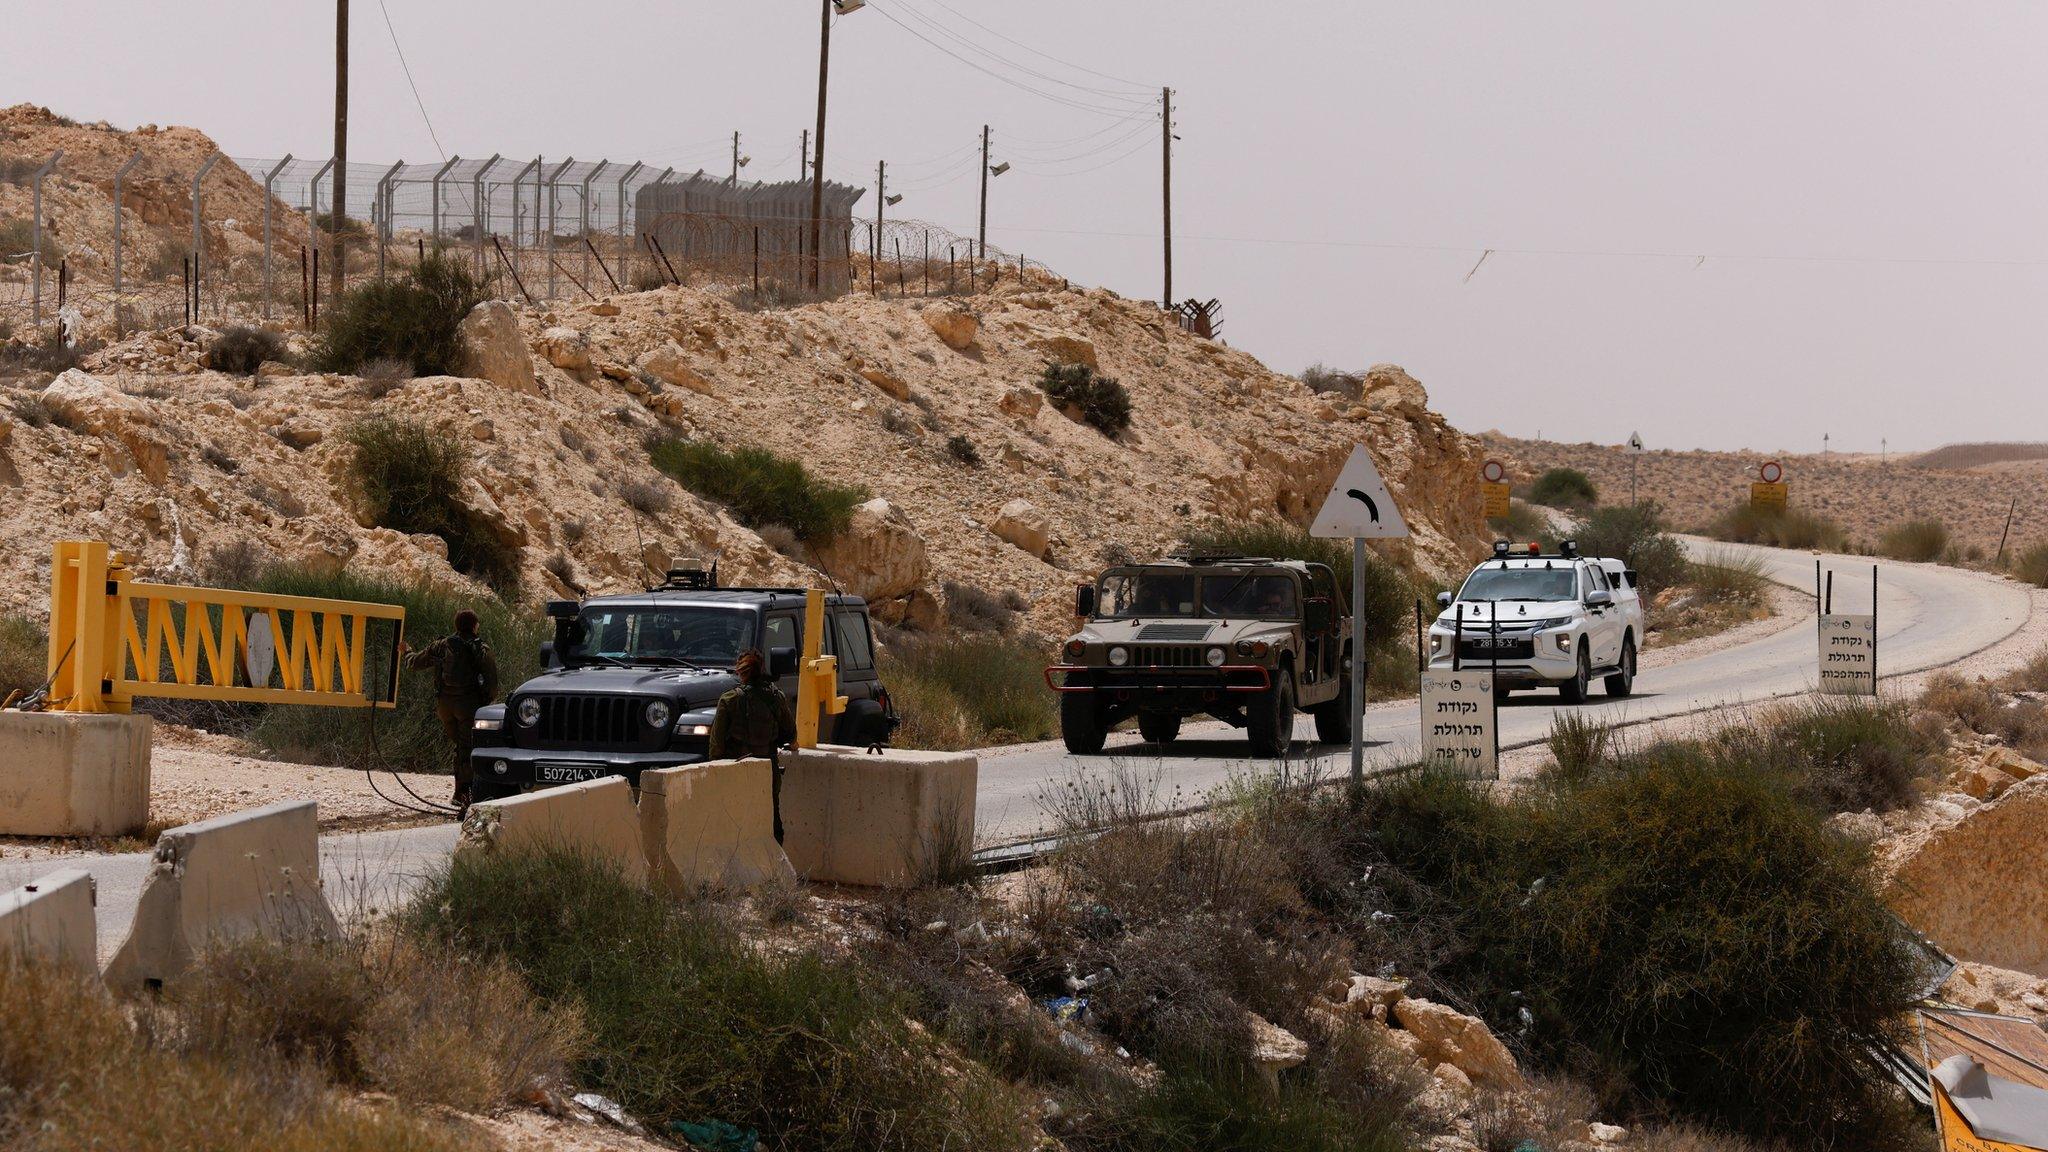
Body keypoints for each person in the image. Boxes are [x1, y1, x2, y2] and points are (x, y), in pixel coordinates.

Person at [402, 609, 500, 810]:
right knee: (467, 749)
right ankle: (464, 795)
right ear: (475, 626)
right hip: (469, 707)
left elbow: (415, 663)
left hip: (445, 707)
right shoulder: (481, 648)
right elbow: (492, 685)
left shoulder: (441, 645)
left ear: (456, 626)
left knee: (459, 747)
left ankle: (459, 792)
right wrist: (485, 703)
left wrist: (406, 652)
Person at [708, 648, 797, 841]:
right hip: (768, 771)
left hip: (736, 771)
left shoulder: (729, 699)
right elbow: (791, 733)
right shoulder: (776, 697)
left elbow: (716, 745)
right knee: (773, 825)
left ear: (740, 671)